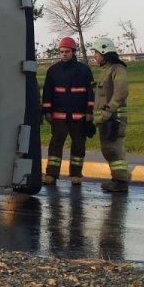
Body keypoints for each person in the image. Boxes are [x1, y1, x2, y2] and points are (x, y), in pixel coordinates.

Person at [41, 37, 94, 185]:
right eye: (61, 52)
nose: (63, 54)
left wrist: (89, 112)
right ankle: (51, 175)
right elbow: (47, 93)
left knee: (78, 146)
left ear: (73, 52)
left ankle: (76, 175)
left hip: (79, 117)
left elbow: (90, 92)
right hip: (58, 117)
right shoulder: (53, 70)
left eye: (67, 52)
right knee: (55, 146)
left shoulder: (84, 70)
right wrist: (46, 111)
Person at [88, 36, 130, 193]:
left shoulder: (117, 69)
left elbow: (121, 93)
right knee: (108, 149)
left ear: (105, 52)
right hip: (105, 119)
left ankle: (121, 181)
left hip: (114, 118)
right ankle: (116, 179)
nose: (95, 56)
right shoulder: (105, 70)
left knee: (114, 149)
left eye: (96, 53)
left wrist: (108, 111)